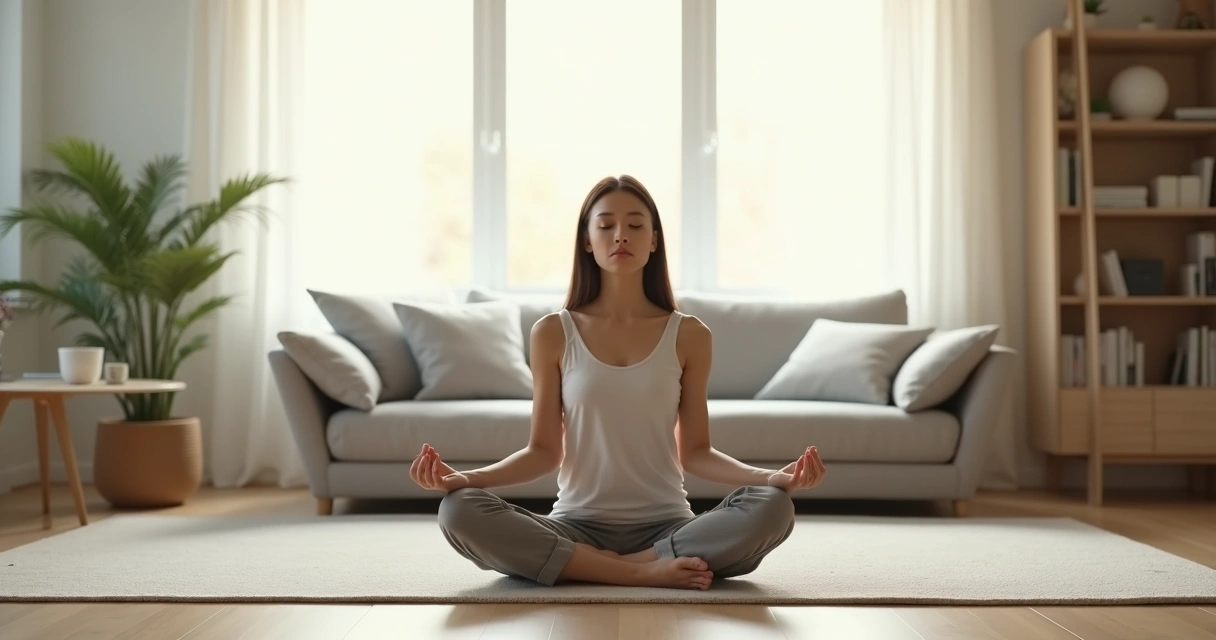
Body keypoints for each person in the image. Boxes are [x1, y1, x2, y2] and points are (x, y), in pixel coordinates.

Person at [409, 175, 827, 591]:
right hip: (576, 527)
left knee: (773, 507)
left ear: (654, 240)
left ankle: (599, 566)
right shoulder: (553, 332)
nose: (620, 236)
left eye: (635, 225)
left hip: (667, 527)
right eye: (606, 225)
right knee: (458, 511)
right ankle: (641, 571)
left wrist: (771, 477)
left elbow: (696, 453)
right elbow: (542, 452)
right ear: (587, 240)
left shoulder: (690, 335)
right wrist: (465, 480)